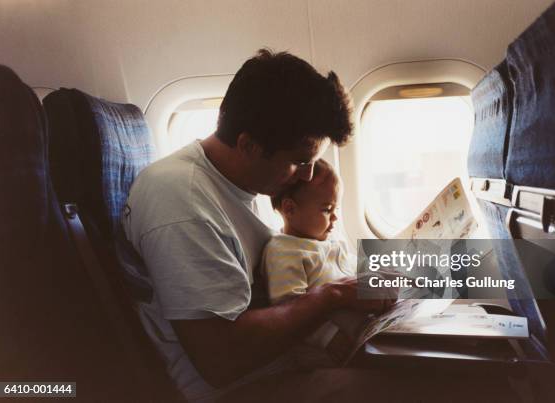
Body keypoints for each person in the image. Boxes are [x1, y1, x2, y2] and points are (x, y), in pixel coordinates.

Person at [117, 49, 393, 402]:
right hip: (241, 388)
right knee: (405, 385)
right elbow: (221, 360)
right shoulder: (181, 201)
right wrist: (333, 295)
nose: (307, 176)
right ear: (248, 145)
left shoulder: (245, 185)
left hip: (285, 363)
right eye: (299, 162)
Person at [262, 159, 367, 367]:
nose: (335, 217)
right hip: (327, 352)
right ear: (290, 209)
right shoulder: (284, 251)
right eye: (327, 209)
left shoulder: (328, 241)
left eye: (336, 208)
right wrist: (329, 337)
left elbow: (352, 266)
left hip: (360, 333)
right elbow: (289, 309)